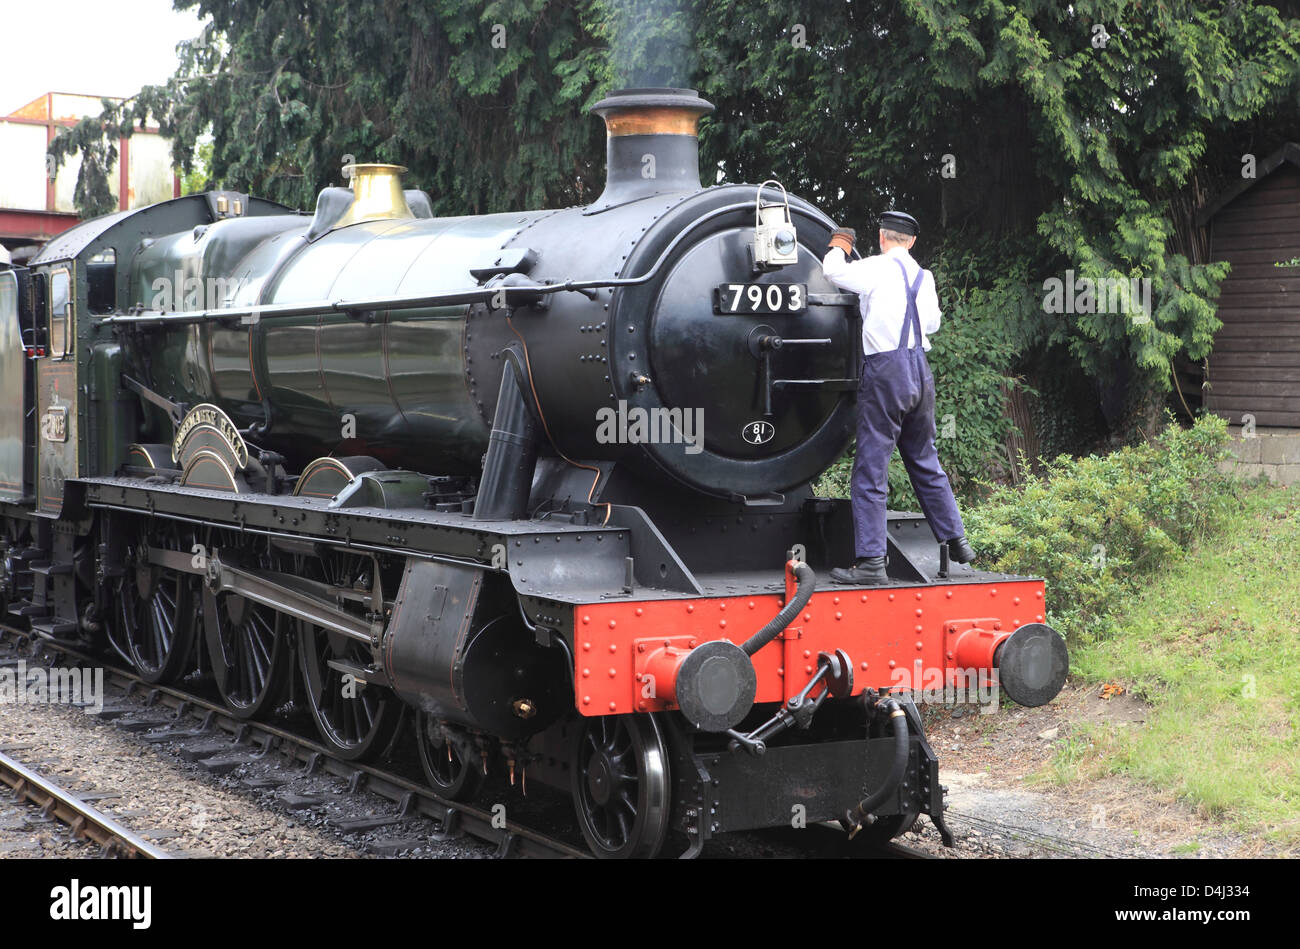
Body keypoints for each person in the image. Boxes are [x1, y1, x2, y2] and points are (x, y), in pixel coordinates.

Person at [821, 211, 976, 584]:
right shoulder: (925, 277)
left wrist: (839, 244)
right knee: (924, 457)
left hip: (886, 371)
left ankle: (873, 562)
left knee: (872, 467)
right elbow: (934, 323)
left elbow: (833, 272)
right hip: (920, 372)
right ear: (912, 241)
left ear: (881, 237)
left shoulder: (876, 267)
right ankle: (956, 539)